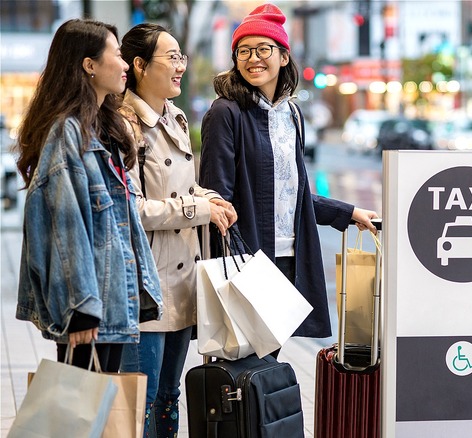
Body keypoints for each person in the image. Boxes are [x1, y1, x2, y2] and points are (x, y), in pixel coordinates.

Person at [199, 3, 378, 346]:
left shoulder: (291, 115)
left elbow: (291, 193)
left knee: (266, 370)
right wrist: (232, 265)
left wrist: (349, 213)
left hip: (289, 260)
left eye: (263, 49)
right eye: (244, 51)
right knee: (244, 368)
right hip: (247, 261)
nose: (253, 58)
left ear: (283, 57)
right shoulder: (226, 113)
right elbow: (216, 197)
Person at [14, 19, 163, 372]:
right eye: (117, 54)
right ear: (89, 65)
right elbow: (65, 225)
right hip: (88, 308)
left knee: (102, 415)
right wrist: (80, 305)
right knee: (82, 414)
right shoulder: (67, 133)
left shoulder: (101, 127)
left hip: (109, 301)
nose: (126, 64)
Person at [117, 23, 238, 437]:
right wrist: (197, 208)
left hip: (184, 280)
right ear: (138, 65)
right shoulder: (123, 124)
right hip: (148, 286)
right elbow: (131, 208)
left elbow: (179, 187)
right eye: (172, 57)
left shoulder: (178, 116)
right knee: (141, 402)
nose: (181, 66)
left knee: (170, 394)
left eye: (181, 57)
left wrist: (211, 199)